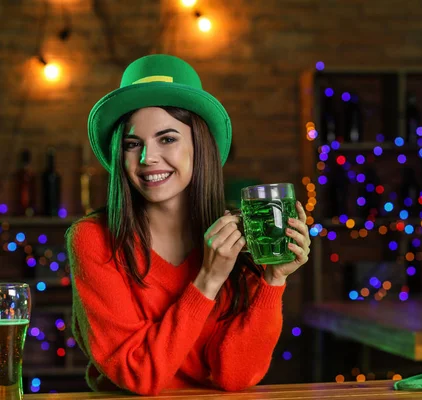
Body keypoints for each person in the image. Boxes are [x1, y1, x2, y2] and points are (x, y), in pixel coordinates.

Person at [66, 54, 311, 395]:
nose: (147, 158)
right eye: (132, 144)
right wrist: (208, 279)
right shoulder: (93, 239)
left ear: (201, 146)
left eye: (167, 139)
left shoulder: (239, 233)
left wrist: (273, 278)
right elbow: (139, 376)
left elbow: (235, 377)